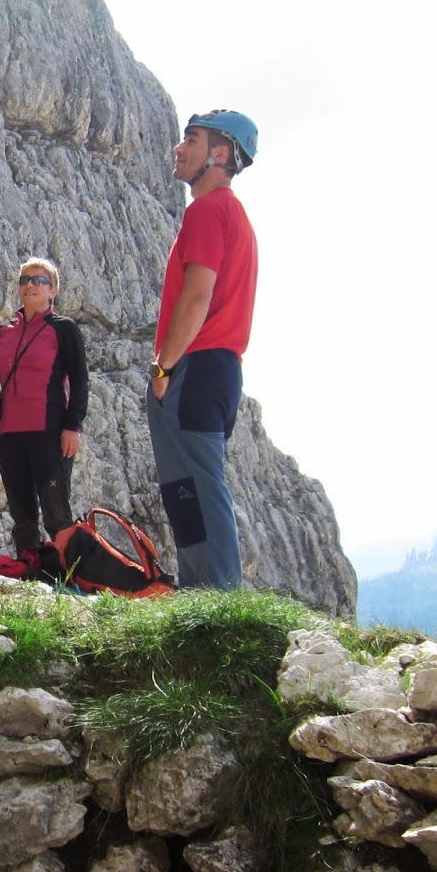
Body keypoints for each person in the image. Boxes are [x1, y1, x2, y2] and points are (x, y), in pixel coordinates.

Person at [146, 109, 259, 589]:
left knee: (200, 482)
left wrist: (162, 366)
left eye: (190, 140)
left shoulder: (210, 210)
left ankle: (220, 595)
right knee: (184, 486)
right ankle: (200, 591)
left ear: (219, 153)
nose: (178, 148)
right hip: (215, 367)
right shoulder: (229, 215)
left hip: (196, 365)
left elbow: (197, 297)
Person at [0, 257, 88, 556]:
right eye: (25, 280)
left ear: (54, 290)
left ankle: (68, 575)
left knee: (55, 510)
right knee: (21, 512)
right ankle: (31, 571)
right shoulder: (4, 332)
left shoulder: (64, 329)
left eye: (39, 280)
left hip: (49, 430)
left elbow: (79, 380)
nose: (31, 285)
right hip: (10, 433)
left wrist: (72, 427)